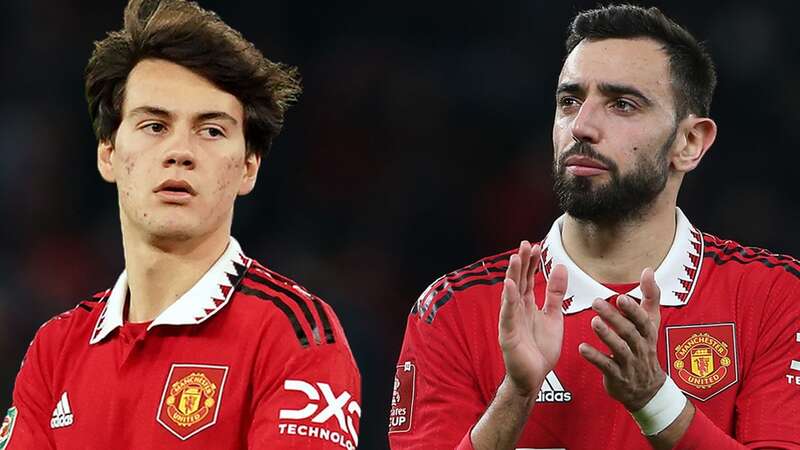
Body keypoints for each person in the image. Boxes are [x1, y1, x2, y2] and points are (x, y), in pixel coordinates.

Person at [388, 4, 799, 449]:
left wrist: (654, 400)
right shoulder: (455, 308)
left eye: (622, 104)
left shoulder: (772, 296)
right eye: (570, 101)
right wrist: (517, 394)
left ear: (689, 142)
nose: (581, 126)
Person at [0, 1, 361, 449]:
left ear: (249, 166)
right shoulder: (54, 349)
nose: (180, 152)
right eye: (154, 125)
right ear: (108, 152)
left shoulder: (295, 335)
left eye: (211, 131)